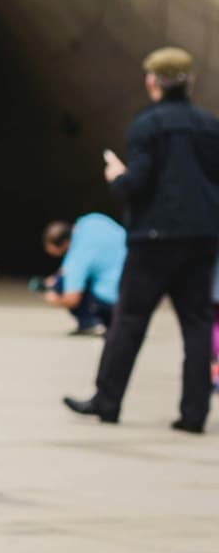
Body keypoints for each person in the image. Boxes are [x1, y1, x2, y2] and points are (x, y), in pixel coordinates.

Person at [66, 48, 219, 432]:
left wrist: (117, 175)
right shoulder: (208, 126)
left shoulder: (146, 126)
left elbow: (137, 183)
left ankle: (107, 401)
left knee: (130, 319)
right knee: (197, 324)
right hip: (201, 236)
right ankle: (194, 414)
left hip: (153, 239)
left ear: (152, 82)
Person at [43, 215, 126, 335]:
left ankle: (90, 322)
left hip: (111, 302)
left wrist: (54, 298)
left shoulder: (76, 258)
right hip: (133, 285)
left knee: (60, 284)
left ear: (65, 243)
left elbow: (72, 299)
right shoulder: (92, 220)